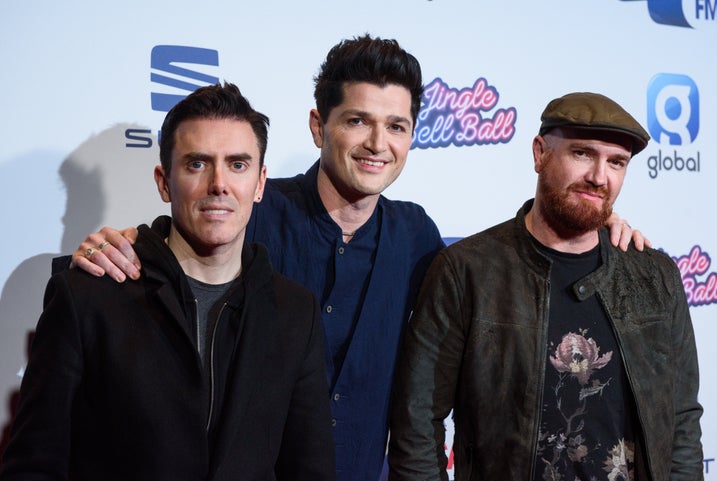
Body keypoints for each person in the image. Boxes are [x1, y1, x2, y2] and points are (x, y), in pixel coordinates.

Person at [58, 38, 647, 481]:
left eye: (396, 126)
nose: (376, 144)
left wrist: (593, 220)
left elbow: (509, 260)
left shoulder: (419, 237)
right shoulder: (252, 211)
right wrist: (123, 242)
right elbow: (182, 244)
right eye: (358, 120)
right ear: (319, 126)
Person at [0, 82, 335, 481]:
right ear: (163, 181)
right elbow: (34, 465)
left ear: (260, 183)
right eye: (197, 164)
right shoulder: (89, 295)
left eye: (238, 165)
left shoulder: (296, 313)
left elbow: (309, 470)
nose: (219, 184)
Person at [387, 92, 703, 481]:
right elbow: (417, 419)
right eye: (583, 154)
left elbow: (682, 421)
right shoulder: (466, 271)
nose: (599, 177)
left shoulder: (655, 277)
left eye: (616, 162)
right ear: (540, 153)